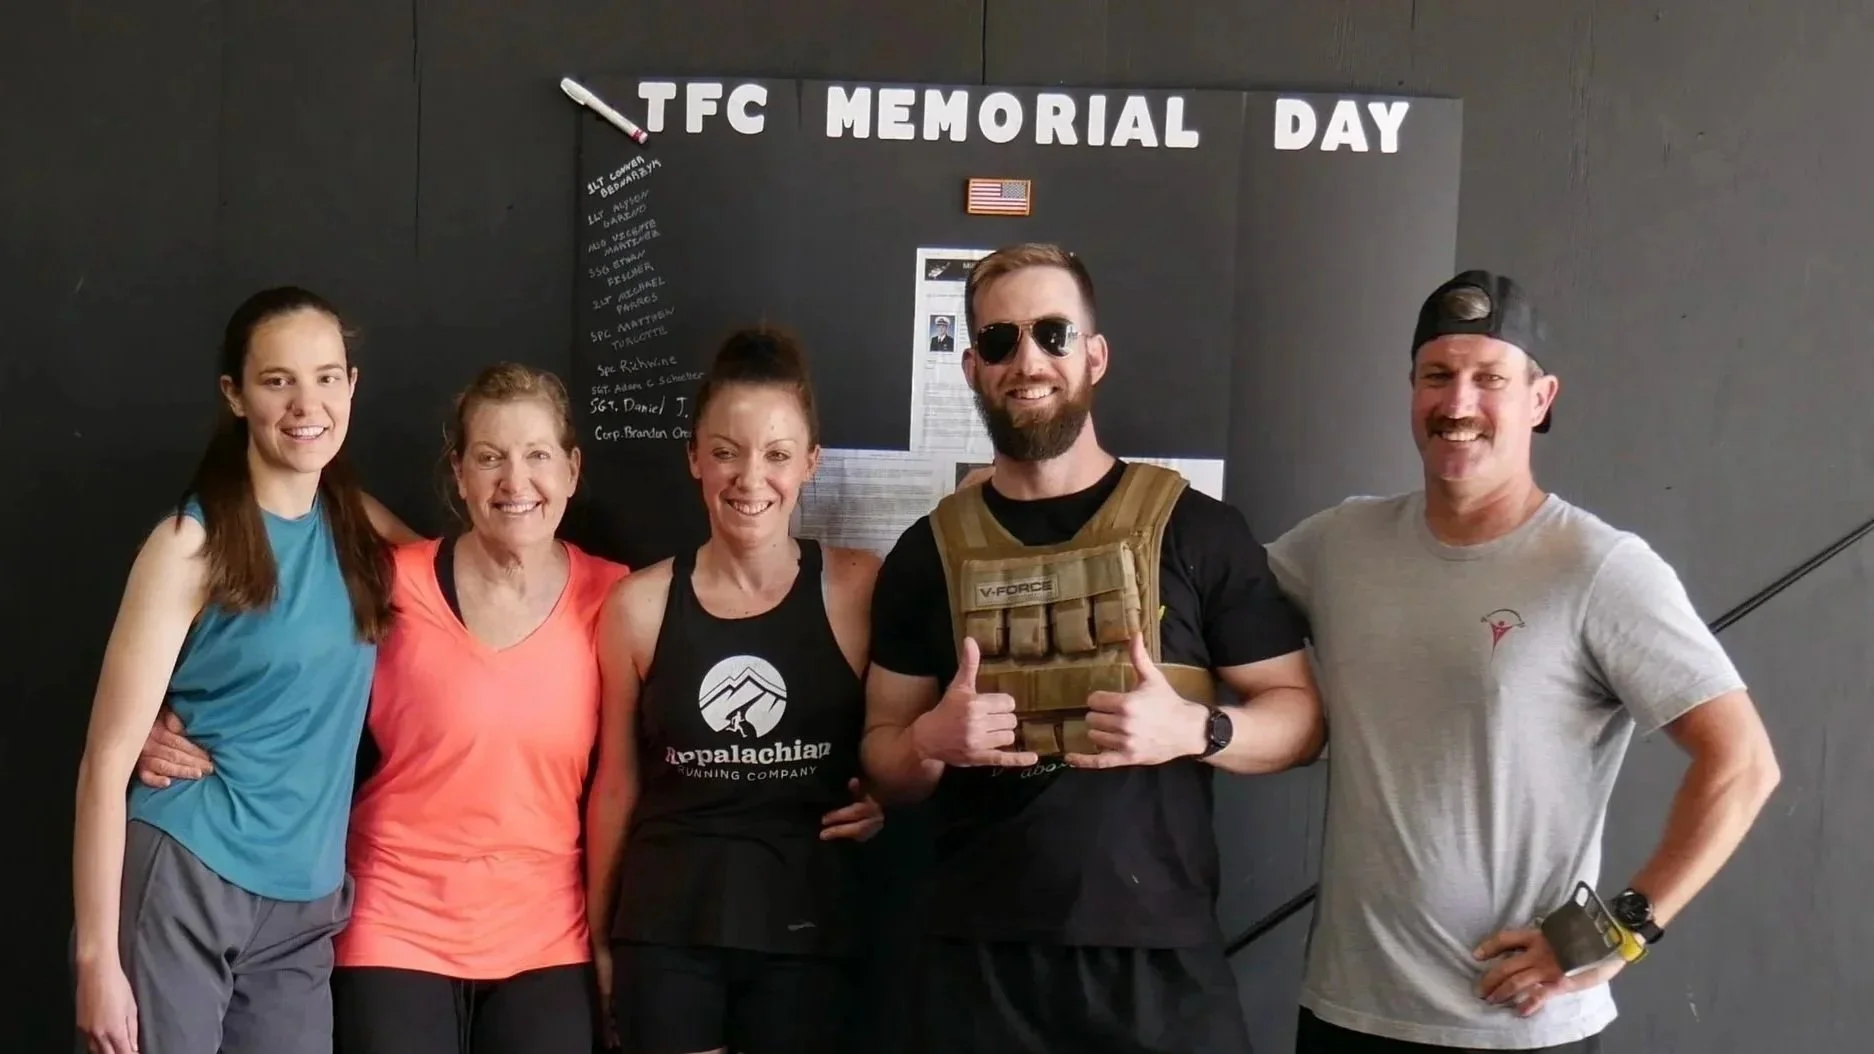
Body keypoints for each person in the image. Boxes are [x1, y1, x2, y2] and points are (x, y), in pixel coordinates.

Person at [1265, 270, 1782, 1052]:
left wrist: (1617, 932)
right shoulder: (1337, 545)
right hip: (1348, 1012)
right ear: (1412, 391)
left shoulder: (1597, 567)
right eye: (1437, 376)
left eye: (1490, 379)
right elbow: (1205, 602)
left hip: (1519, 1026)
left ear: (1540, 400)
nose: (1458, 403)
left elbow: (1743, 764)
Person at [860, 242, 1325, 1054]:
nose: (1028, 361)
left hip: (1158, 965)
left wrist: (1198, 729)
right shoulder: (925, 554)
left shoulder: (1197, 531)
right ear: (972, 368)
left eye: (1054, 334)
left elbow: (1302, 721)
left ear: (1095, 355)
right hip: (979, 968)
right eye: (1000, 341)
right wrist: (930, 740)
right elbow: (883, 757)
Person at [133, 362, 628, 1053]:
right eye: (490, 458)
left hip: (546, 937)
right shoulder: (394, 581)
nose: (515, 482)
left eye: (538, 456)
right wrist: (146, 717)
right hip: (395, 925)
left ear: (572, 470)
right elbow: (274, 635)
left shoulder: (617, 601)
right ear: (459, 474)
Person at [71, 286, 397, 1054]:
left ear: (351, 385)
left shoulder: (356, 522)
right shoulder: (189, 545)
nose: (306, 403)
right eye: (277, 380)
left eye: (326, 377)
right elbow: (105, 763)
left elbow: (465, 599)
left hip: (304, 905)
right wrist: (96, 962)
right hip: (189, 874)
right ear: (236, 395)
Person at [585, 326, 886, 1054]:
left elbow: (900, 738)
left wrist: (890, 797)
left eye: (777, 454)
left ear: (810, 461)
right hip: (667, 927)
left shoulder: (859, 589)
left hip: (811, 927)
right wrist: (597, 938)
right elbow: (616, 785)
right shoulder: (638, 606)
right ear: (694, 456)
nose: (751, 479)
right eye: (726, 451)